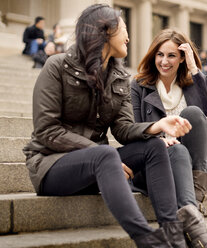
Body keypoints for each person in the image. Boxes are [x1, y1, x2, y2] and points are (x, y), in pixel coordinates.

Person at [22, 5, 195, 248]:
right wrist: (102, 155)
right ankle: (148, 240)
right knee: (104, 154)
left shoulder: (120, 78)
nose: (128, 37)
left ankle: (174, 236)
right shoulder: (57, 66)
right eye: (123, 29)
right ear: (105, 31)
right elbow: (47, 131)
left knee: (155, 147)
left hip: (99, 164)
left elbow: (122, 129)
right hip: (51, 166)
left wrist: (156, 126)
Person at [131, 28, 207, 248]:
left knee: (194, 114)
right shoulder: (139, 85)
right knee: (177, 149)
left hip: (189, 163)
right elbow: (132, 127)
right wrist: (158, 140)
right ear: (153, 55)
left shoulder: (189, 84)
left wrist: (194, 67)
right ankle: (197, 230)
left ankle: (193, 209)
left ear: (181, 58)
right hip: (154, 159)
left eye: (171, 55)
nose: (164, 61)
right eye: (160, 54)